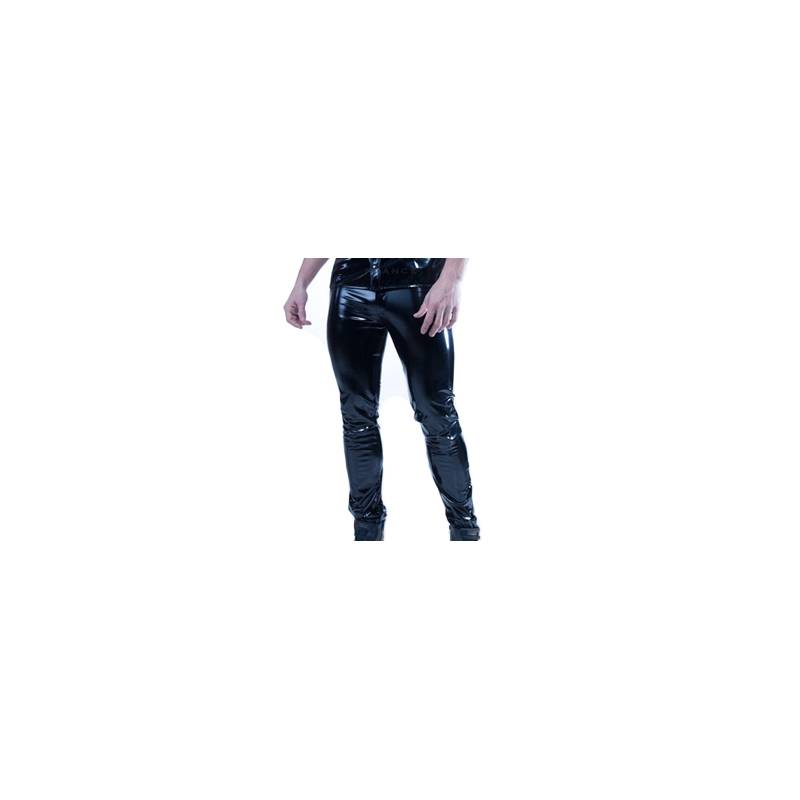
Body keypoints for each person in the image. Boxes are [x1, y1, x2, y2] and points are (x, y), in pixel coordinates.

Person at [284, 258, 481, 541]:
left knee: (437, 413)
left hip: (418, 283)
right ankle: (367, 529)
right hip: (351, 286)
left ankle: (465, 530)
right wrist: (301, 282)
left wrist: (452, 279)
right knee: (356, 416)